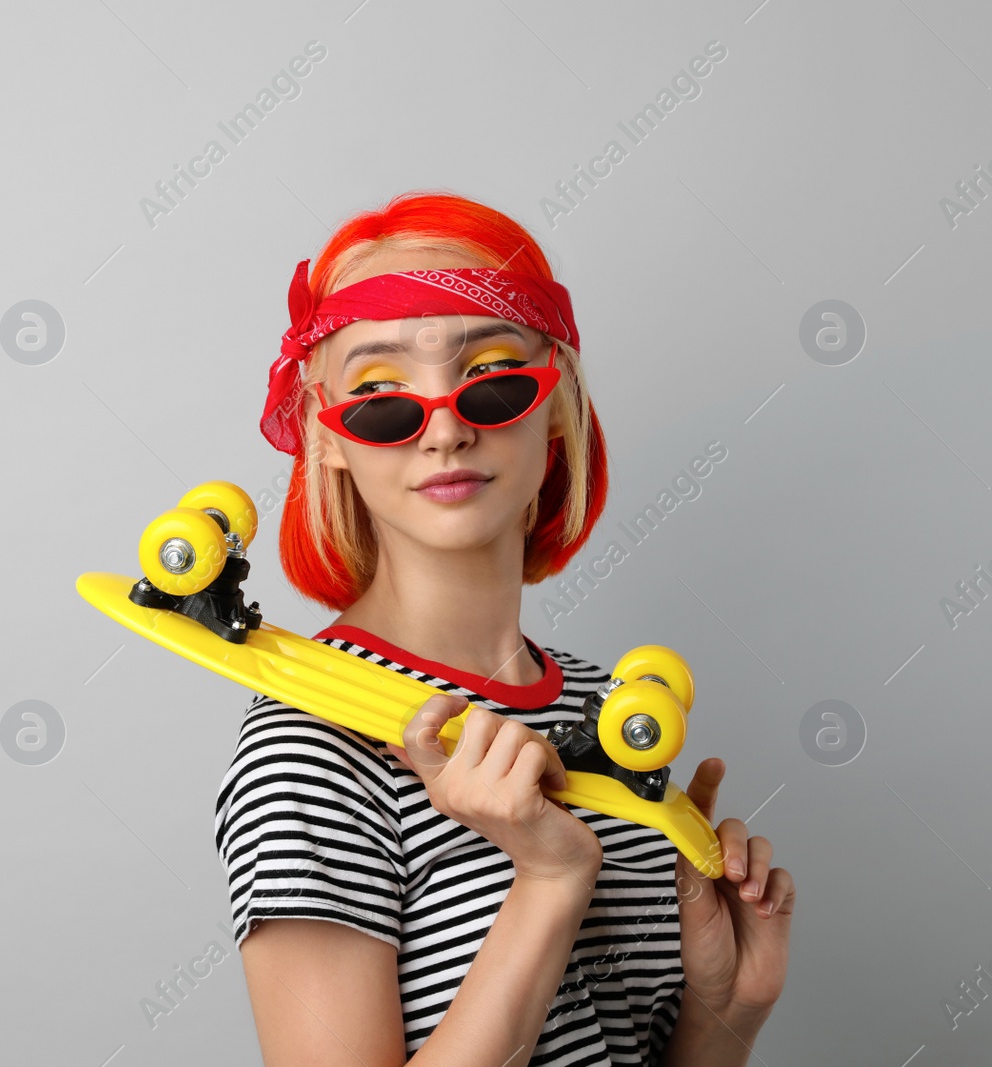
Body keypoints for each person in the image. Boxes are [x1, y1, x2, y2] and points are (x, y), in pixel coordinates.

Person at [212, 191, 794, 1066]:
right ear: (324, 436)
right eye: (380, 395)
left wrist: (727, 1010)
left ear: (555, 407)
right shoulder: (311, 748)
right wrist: (550, 880)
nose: (442, 427)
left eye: (490, 377)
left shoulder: (608, 709)